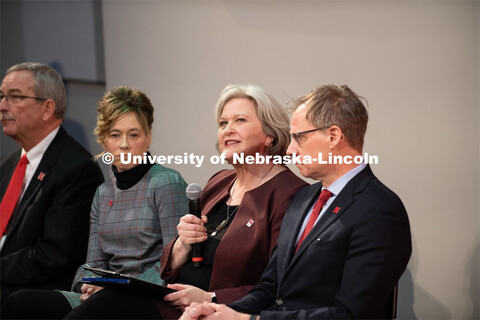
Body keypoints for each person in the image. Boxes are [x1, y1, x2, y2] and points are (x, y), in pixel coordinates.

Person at [62, 84, 309, 319]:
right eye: (223, 123)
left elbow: (279, 286)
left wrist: (212, 298)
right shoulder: (220, 182)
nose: (227, 129)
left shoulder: (290, 194)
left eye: (240, 120)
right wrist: (181, 244)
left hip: (220, 312)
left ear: (270, 135)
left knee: (107, 306)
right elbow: (169, 266)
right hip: (172, 303)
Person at [181, 84, 412, 320]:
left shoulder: (380, 210)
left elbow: (352, 314)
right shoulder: (304, 198)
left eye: (298, 138)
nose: (290, 151)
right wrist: (221, 310)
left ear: (333, 136)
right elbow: (270, 288)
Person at [1, 86, 190, 318]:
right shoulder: (103, 192)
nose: (124, 144)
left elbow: (174, 262)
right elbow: (92, 263)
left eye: (134, 134)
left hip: (147, 296)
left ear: (148, 137)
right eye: (115, 135)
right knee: (20, 303)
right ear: (103, 140)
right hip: (104, 293)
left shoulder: (166, 182)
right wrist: (87, 284)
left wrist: (113, 287)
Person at [0, 62, 104, 301]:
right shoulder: (6, 165)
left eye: (14, 97)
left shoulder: (76, 168)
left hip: (35, 291)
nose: (3, 106)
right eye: (1, 97)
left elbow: (54, 255)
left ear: (47, 108)